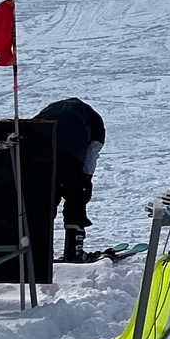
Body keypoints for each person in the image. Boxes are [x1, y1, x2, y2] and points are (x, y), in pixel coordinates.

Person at [37, 98, 106, 261]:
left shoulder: (51, 109)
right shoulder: (96, 123)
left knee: (43, 204)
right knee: (76, 198)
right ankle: (74, 251)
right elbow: (92, 153)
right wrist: (86, 179)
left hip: (37, 148)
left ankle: (38, 255)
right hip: (69, 155)